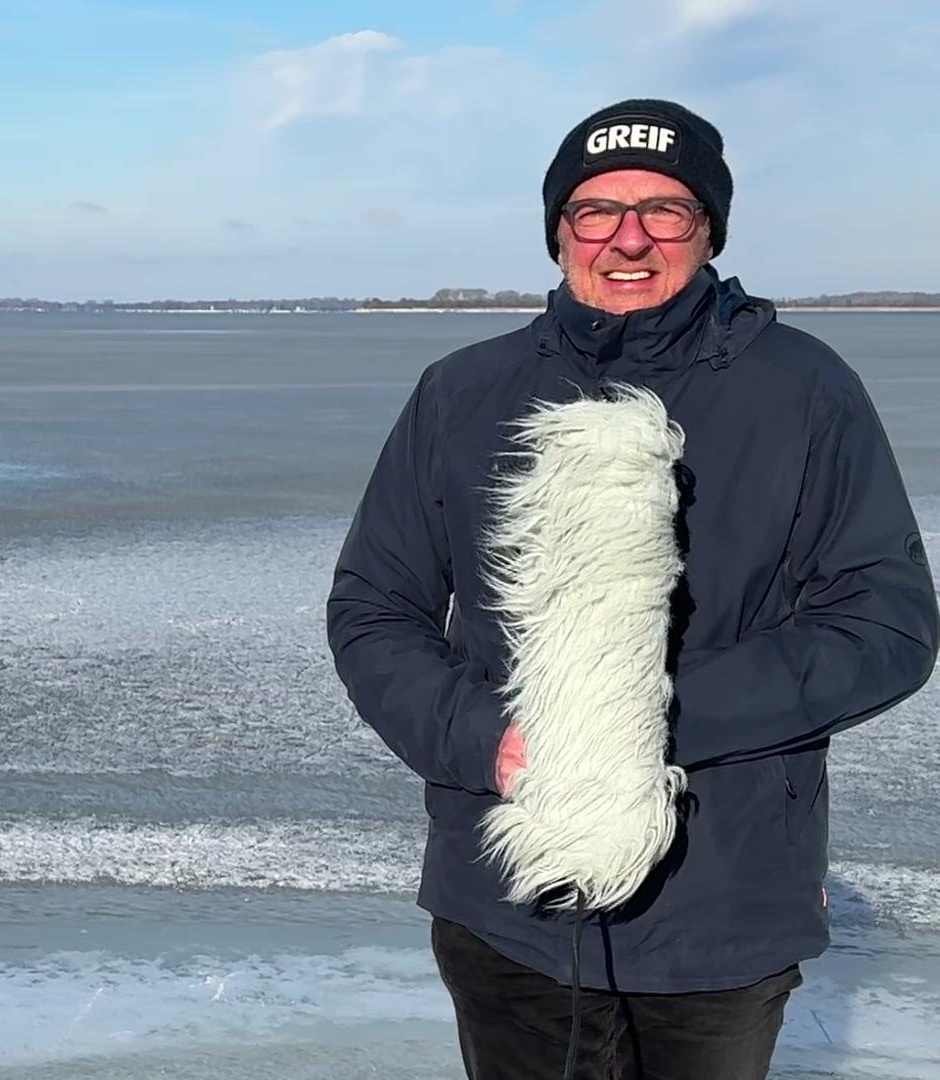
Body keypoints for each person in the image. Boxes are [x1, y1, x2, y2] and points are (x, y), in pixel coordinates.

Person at [325, 98, 939, 1079]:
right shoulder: (463, 391)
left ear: (708, 231)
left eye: (665, 210)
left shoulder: (803, 389)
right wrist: (490, 738)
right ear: (560, 231)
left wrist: (628, 726)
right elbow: (372, 608)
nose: (629, 238)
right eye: (597, 211)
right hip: (507, 897)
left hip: (725, 903)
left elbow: (887, 623)